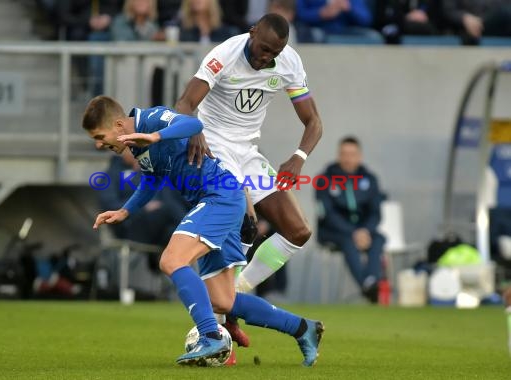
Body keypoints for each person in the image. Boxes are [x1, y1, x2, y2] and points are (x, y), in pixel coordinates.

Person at [82, 95, 323, 366]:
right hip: (219, 201)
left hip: (219, 196)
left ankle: (210, 336)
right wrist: (125, 211)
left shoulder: (151, 119)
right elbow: (152, 178)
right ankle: (303, 328)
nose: (98, 144)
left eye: (100, 136)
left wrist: (156, 137)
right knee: (222, 301)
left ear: (117, 125)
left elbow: (192, 125)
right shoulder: (137, 146)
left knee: (172, 260)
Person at [174, 13, 323, 346]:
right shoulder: (224, 54)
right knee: (245, 224)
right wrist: (195, 129)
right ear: (252, 32)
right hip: (213, 149)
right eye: (264, 48)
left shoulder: (288, 62)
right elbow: (184, 104)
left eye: (274, 52)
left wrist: (298, 158)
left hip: (248, 153)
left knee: (298, 231)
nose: (266, 57)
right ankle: (217, 324)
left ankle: (237, 296)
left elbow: (313, 122)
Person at [315, 136, 385, 303]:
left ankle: (371, 282)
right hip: (333, 232)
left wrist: (365, 231)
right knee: (348, 241)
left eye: (352, 154)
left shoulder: (370, 179)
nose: (347, 158)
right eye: (344, 154)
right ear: (338, 155)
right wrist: (353, 232)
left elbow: (376, 212)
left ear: (359, 156)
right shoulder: (324, 180)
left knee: (379, 239)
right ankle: (368, 285)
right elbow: (328, 214)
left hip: (363, 231)